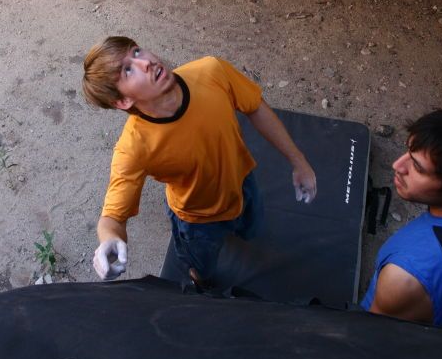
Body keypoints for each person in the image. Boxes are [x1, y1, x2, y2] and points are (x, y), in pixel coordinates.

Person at [83, 36, 317, 284]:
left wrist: (299, 161)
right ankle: (199, 281)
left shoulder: (211, 71)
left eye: (137, 51)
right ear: (122, 101)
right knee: (202, 268)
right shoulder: (133, 148)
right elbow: (112, 217)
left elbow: (254, 106)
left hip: (243, 184)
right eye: (128, 70)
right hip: (199, 221)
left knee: (252, 230)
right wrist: (109, 239)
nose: (146, 62)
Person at [361, 109, 442, 326]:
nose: (398, 166)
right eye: (407, 152)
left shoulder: (404, 277)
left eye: (418, 168)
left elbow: (366, 341)